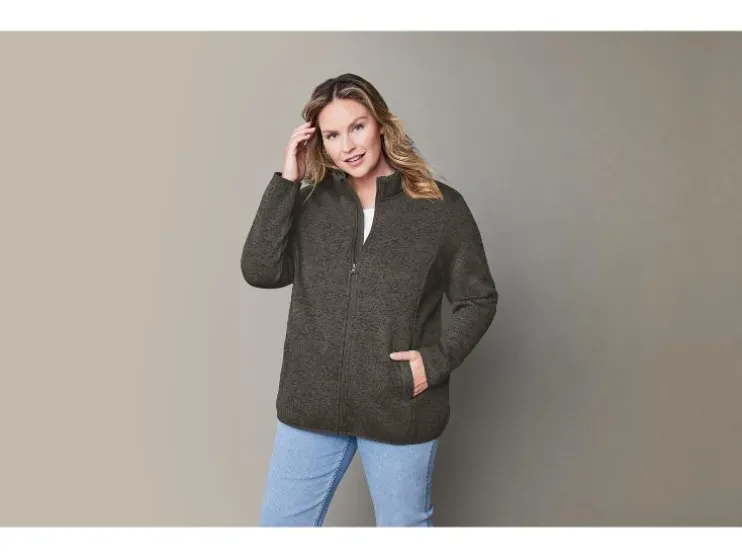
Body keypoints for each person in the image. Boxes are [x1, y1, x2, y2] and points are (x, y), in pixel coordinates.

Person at [241, 73, 499, 526]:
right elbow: (261, 270)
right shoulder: (309, 205)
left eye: (357, 127)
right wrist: (287, 181)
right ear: (319, 142)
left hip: (398, 405)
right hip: (312, 405)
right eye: (332, 135)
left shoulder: (440, 208)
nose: (348, 146)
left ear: (380, 124)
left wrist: (434, 363)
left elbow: (478, 298)